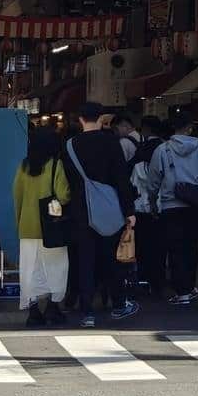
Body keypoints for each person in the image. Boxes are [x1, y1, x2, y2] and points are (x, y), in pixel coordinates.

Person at [63, 101, 138, 328]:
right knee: (111, 259)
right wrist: (129, 211)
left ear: (80, 120)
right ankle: (118, 304)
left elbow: (67, 181)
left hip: (80, 211)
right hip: (109, 209)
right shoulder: (111, 142)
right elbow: (121, 179)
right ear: (101, 119)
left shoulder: (69, 146)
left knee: (85, 260)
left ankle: (87, 311)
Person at [146, 113, 198, 306]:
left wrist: (152, 201)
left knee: (175, 248)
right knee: (191, 246)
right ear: (189, 128)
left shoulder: (162, 150)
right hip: (193, 206)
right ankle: (190, 286)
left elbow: (153, 181)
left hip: (170, 206)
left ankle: (181, 291)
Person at [12, 125, 71, 326]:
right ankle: (53, 308)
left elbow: (17, 196)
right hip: (50, 228)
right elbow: (63, 196)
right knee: (56, 268)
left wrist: (19, 221)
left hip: (27, 227)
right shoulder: (55, 165)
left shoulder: (23, 166)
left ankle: (34, 310)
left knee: (30, 270)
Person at [131, 117, 166, 296]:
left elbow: (133, 179)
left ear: (145, 129)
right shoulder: (166, 149)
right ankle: (159, 281)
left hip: (141, 207)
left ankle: (144, 279)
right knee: (160, 247)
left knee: (143, 246)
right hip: (164, 205)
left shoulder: (140, 151)